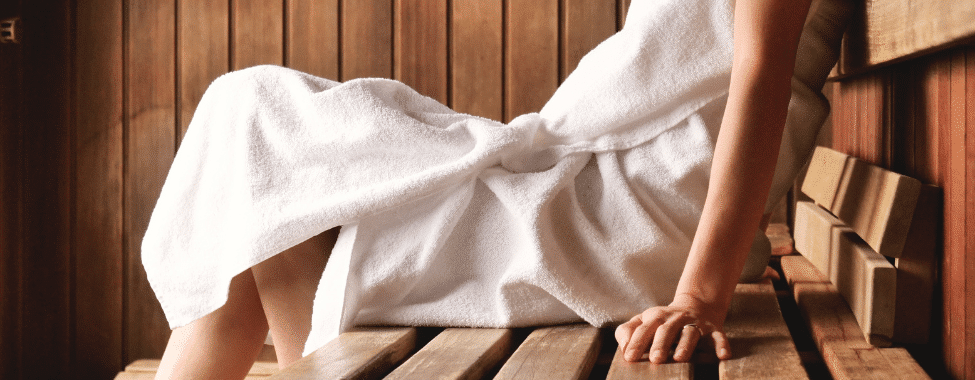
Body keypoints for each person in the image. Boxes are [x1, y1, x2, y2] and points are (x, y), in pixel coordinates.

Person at [146, 0, 848, 378]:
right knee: (270, 163)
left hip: (626, 214)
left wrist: (699, 296)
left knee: (261, 128)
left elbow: (759, 77)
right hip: (592, 180)